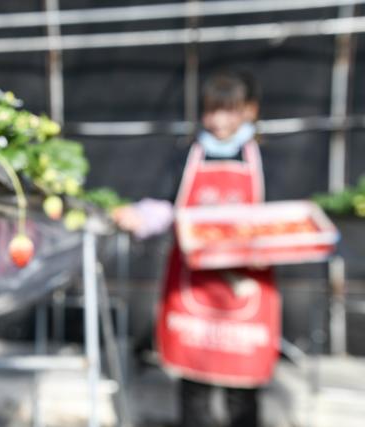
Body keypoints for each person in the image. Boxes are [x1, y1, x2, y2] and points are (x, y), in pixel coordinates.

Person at [113, 71, 279, 427]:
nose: (218, 121)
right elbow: (165, 204)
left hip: (246, 288)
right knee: (194, 382)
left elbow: (283, 217)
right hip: (193, 285)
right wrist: (139, 216)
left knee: (243, 385)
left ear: (250, 111)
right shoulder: (187, 155)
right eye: (211, 111)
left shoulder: (266, 158)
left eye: (229, 111)